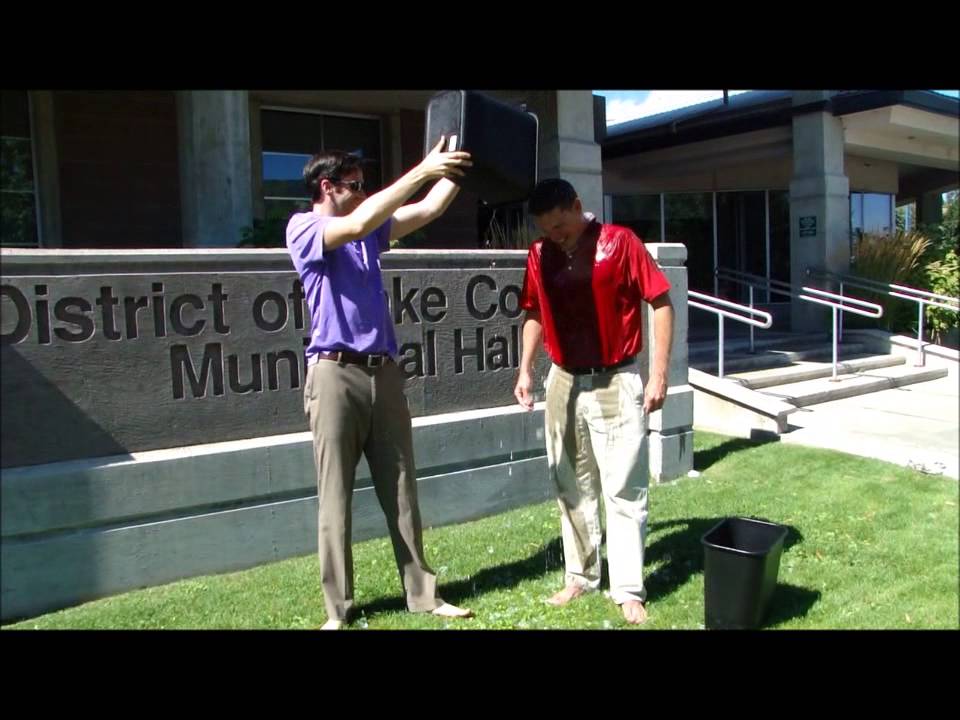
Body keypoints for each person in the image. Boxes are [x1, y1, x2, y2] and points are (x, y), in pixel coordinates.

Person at [286, 137, 474, 629]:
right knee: (335, 496)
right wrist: (422, 167)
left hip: (384, 372)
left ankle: (424, 596)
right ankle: (338, 611)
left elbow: (429, 208)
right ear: (326, 187)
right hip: (334, 375)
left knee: (402, 489)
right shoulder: (306, 227)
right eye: (354, 184)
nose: (362, 191)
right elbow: (356, 222)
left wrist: (456, 165)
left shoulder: (371, 232)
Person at [513, 178, 674, 625]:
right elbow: (533, 312)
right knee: (570, 485)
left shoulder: (619, 243)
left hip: (616, 378)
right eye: (547, 229)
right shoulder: (539, 255)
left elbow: (660, 302)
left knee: (623, 487)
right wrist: (525, 368)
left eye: (561, 225)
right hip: (563, 379)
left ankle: (627, 590)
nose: (556, 235)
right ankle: (581, 576)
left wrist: (658, 373)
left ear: (578, 207)